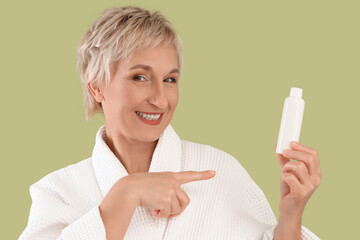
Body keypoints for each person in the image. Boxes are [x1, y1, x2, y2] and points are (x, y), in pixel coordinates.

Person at [18, 6, 322, 240]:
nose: (161, 100)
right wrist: (125, 195)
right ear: (96, 85)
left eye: (170, 79)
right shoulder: (59, 191)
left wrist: (291, 217)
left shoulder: (219, 173)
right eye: (140, 77)